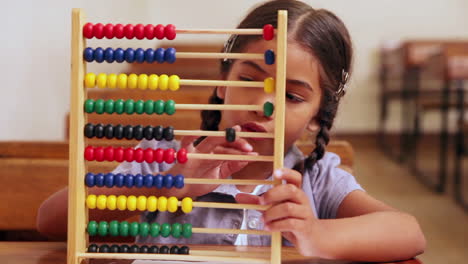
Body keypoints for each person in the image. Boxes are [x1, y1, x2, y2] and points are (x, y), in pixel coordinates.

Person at [37, 0, 426, 261]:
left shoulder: (315, 181)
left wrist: (315, 234)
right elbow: (50, 220)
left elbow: (409, 231)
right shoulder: (162, 159)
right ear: (222, 82)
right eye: (249, 79)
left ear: (317, 117)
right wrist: (169, 187)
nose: (263, 104)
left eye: (291, 96)